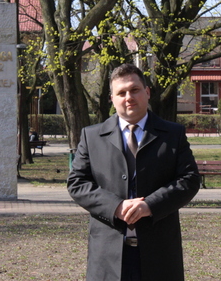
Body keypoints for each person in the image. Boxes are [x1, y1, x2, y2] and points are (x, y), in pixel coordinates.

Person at [67, 64, 200, 281]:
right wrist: (116, 207)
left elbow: (189, 179)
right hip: (107, 255)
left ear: (147, 92)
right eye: (121, 93)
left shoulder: (173, 134)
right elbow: (77, 183)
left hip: (160, 253)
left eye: (134, 90)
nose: (128, 97)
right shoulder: (91, 137)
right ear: (112, 98)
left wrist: (150, 205)